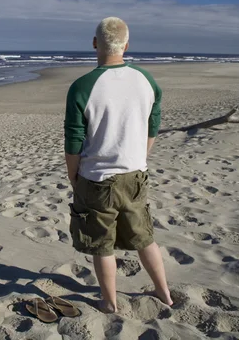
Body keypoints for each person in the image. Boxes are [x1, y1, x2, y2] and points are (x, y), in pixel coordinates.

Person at [64, 17, 172, 313]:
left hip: (97, 178)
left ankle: (110, 302)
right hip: (135, 174)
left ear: (95, 43)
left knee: (102, 245)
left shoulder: (82, 86)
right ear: (126, 45)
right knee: (144, 237)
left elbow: (74, 140)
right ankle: (164, 292)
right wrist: (141, 156)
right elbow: (153, 125)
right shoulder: (146, 80)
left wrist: (73, 175)